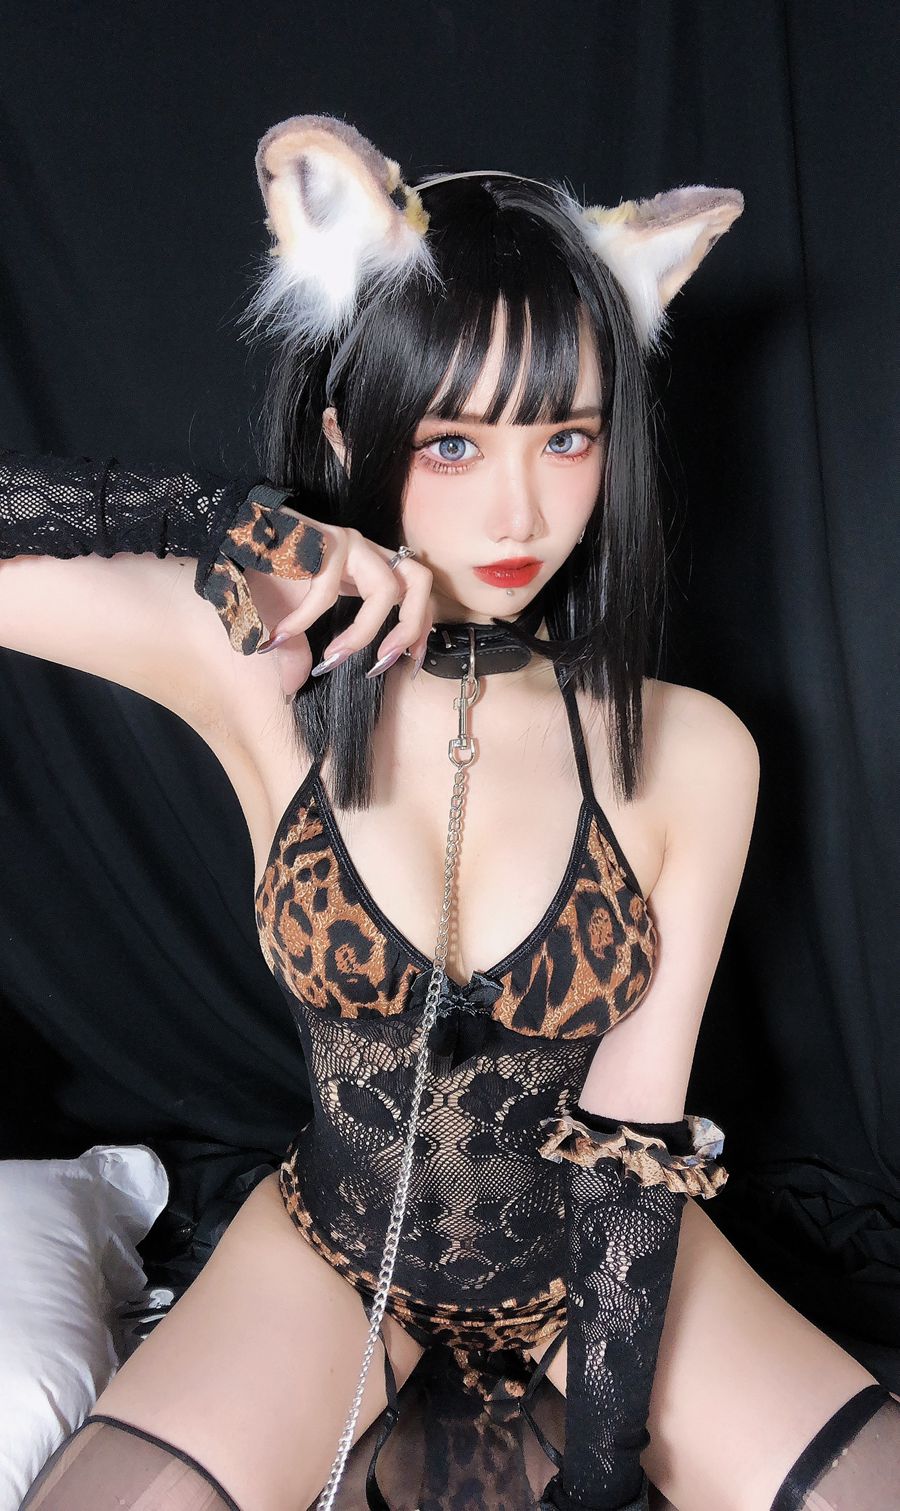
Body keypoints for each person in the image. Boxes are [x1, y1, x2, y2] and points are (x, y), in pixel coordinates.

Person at [3, 113, 898, 1511]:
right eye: (455, 444)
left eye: (567, 435)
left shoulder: (692, 751)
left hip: (595, 1267)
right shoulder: (250, 661)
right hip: (331, 1249)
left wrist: (603, 1471)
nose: (522, 513)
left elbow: (633, 1148)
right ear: (351, 431)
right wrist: (214, 519)